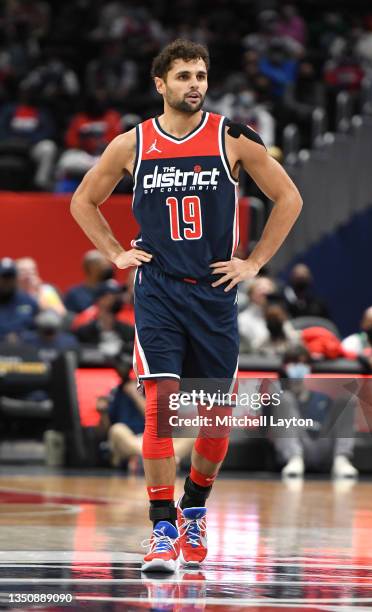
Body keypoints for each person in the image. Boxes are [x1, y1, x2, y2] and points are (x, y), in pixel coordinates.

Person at [70, 39, 302, 573]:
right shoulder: (133, 144)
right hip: (159, 290)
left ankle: (193, 507)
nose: (194, 84)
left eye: (200, 75)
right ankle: (161, 528)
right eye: (183, 76)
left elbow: (289, 198)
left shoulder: (233, 138)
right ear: (161, 85)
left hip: (215, 294)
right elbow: (84, 199)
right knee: (162, 406)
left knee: (214, 417)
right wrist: (113, 252)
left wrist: (255, 261)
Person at [269, 345, 358, 479]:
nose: (299, 367)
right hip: (294, 451)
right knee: (284, 398)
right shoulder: (277, 398)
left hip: (321, 446)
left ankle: (342, 460)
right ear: (285, 367)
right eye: (294, 363)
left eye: (303, 363)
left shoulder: (322, 398)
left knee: (346, 401)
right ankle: (294, 459)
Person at [75, 280, 134, 358]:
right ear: (99, 299)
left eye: (117, 295)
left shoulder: (129, 332)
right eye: (110, 295)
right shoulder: (84, 333)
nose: (116, 298)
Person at [0, 257, 38, 342]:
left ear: (16, 278)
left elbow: (37, 330)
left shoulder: (29, 301)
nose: (7, 281)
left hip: (24, 349)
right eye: (4, 277)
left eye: (11, 277)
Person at [64, 250, 114, 314]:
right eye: (102, 265)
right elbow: (70, 319)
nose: (107, 268)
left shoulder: (112, 291)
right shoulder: (74, 294)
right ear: (90, 267)